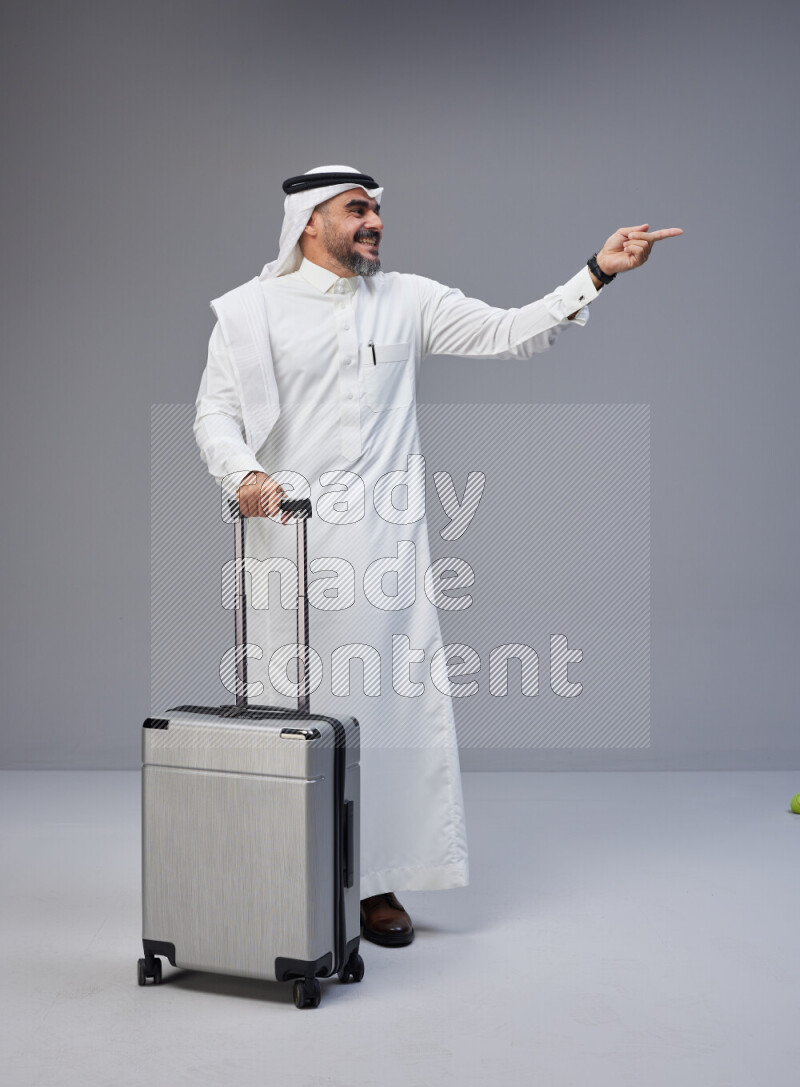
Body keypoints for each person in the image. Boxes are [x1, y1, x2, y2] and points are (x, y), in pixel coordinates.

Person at [194, 164, 682, 947]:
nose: (376, 222)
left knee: (384, 714)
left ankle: (376, 882)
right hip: (289, 543)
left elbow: (510, 332)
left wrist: (597, 273)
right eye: (358, 210)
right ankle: (286, 874)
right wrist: (243, 471)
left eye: (378, 210)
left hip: (383, 548)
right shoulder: (250, 313)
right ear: (310, 221)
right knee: (290, 712)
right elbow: (214, 412)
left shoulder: (407, 298)